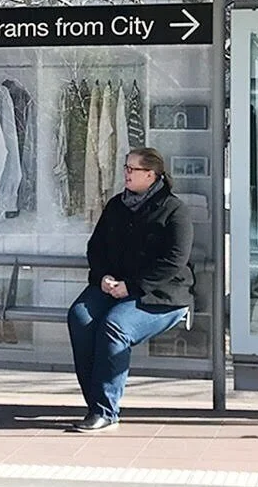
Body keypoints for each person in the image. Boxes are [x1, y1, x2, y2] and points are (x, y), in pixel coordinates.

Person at [67, 147, 194, 432]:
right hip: (113, 285)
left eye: (131, 169)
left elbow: (174, 260)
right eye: (125, 167)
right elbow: (95, 247)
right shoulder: (116, 206)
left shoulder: (174, 210)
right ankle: (96, 404)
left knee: (115, 327)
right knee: (80, 316)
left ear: (150, 175)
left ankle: (105, 412)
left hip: (160, 294)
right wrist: (102, 278)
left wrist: (133, 287)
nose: (125, 173)